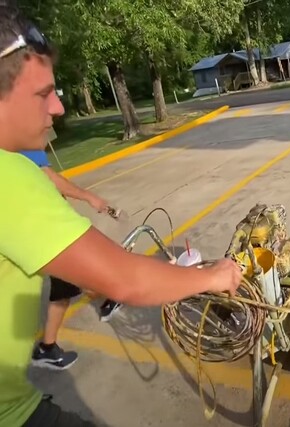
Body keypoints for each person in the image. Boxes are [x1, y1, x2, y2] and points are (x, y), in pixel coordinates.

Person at [0, 7, 242, 427]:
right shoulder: (9, 177)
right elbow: (125, 280)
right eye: (43, 94)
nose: (58, 108)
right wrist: (214, 276)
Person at [19, 149, 116, 370]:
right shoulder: (23, 142)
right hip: (46, 228)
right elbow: (49, 178)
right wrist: (89, 196)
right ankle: (46, 348)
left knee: (68, 283)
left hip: (37, 228)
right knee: (75, 273)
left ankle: (106, 299)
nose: (55, 112)